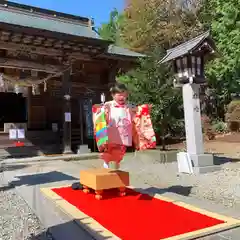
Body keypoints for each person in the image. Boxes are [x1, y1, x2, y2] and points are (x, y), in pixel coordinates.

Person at [101, 82, 135, 169]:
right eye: (119, 95)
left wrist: (144, 111)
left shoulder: (129, 106)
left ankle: (115, 165)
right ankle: (107, 165)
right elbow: (101, 116)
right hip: (111, 134)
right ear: (113, 95)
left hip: (124, 134)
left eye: (124, 95)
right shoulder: (108, 105)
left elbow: (136, 117)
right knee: (110, 152)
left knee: (120, 153)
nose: (122, 97)